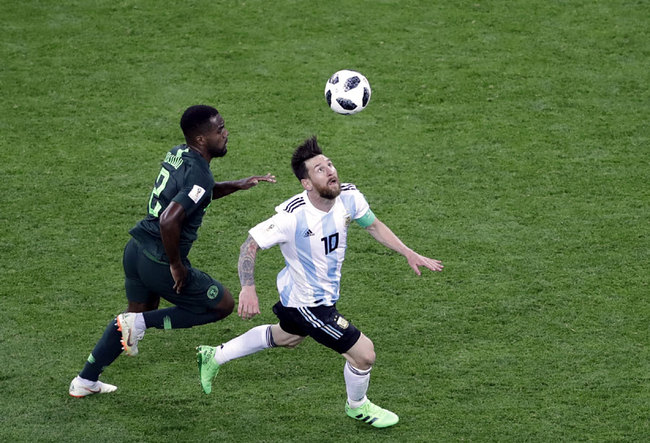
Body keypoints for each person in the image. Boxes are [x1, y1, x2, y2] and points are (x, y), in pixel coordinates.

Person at [196, 136, 443, 428]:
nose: (330, 171)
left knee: (286, 338)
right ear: (307, 183)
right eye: (319, 170)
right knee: (364, 354)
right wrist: (248, 286)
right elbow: (249, 246)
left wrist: (407, 252)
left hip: (311, 297)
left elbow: (373, 224)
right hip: (308, 304)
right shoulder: (292, 216)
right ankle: (358, 406)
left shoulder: (348, 197)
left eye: (329, 164)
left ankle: (215, 355)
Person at [69, 105, 276, 397]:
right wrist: (176, 265)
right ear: (202, 139)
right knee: (222, 305)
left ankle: (85, 380)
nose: (226, 133)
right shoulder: (199, 175)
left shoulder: (179, 152)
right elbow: (169, 219)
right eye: (220, 130)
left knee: (134, 319)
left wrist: (237, 185)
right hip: (159, 259)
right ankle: (135, 325)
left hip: (136, 251)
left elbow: (196, 192)